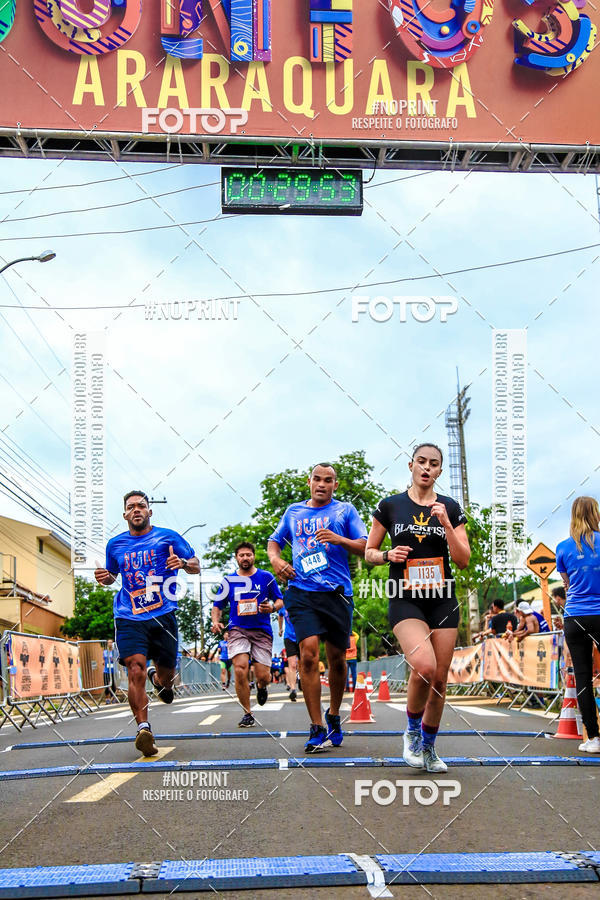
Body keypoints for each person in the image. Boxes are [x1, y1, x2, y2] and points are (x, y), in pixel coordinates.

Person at [365, 443, 470, 774]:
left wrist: (447, 524)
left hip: (442, 598)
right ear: (411, 465)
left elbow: (463, 560)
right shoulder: (391, 506)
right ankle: (411, 731)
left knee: (439, 679)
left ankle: (428, 747)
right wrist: (386, 556)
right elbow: (369, 551)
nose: (427, 468)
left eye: (434, 464)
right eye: (421, 462)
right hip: (404, 595)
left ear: (440, 470)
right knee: (424, 666)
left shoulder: (450, 507)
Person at [268, 462, 368, 752]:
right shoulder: (294, 512)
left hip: (337, 593)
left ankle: (334, 714)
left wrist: (339, 539)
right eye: (317, 479)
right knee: (308, 655)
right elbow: (274, 543)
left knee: (337, 659)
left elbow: (365, 545)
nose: (322, 484)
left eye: (328, 480)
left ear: (335, 485)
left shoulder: (345, 511)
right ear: (309, 481)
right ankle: (316, 726)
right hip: (301, 592)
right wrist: (277, 560)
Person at [94, 491, 199, 757]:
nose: (137, 510)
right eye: (131, 507)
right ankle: (144, 729)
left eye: (142, 505)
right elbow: (111, 576)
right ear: (125, 514)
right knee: (135, 669)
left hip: (162, 614)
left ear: (150, 511)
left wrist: (183, 563)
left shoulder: (169, 537)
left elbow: (196, 565)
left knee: (166, 680)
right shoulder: (115, 545)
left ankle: (159, 680)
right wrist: (103, 578)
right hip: (129, 615)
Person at [211, 541, 283, 727]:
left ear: (254, 556)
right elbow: (217, 605)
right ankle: (247, 713)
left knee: (263, 676)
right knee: (240, 668)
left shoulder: (266, 577)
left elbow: (280, 600)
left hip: (261, 631)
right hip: (238, 629)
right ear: (236, 558)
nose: (245, 558)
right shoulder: (228, 581)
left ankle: (261, 686)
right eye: (241, 555)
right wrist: (216, 621)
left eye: (248, 555)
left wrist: (272, 607)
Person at [557, 496, 600, 753]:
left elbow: (568, 584)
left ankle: (594, 738)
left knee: (583, 677)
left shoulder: (563, 547)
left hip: (575, 616)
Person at [278, 603, 299, 701]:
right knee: (292, 665)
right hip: (289, 637)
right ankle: (293, 689)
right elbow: (280, 615)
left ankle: (303, 684)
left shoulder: (299, 602)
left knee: (303, 664)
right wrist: (280, 629)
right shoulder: (283, 607)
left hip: (301, 636)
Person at [103, 638, 117, 703]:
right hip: (106, 671)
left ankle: (113, 698)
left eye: (111, 642)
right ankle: (107, 698)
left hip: (114, 671)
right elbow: (104, 660)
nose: (110, 644)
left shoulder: (115, 652)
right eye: (109, 642)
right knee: (106, 685)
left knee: (113, 685)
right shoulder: (105, 652)